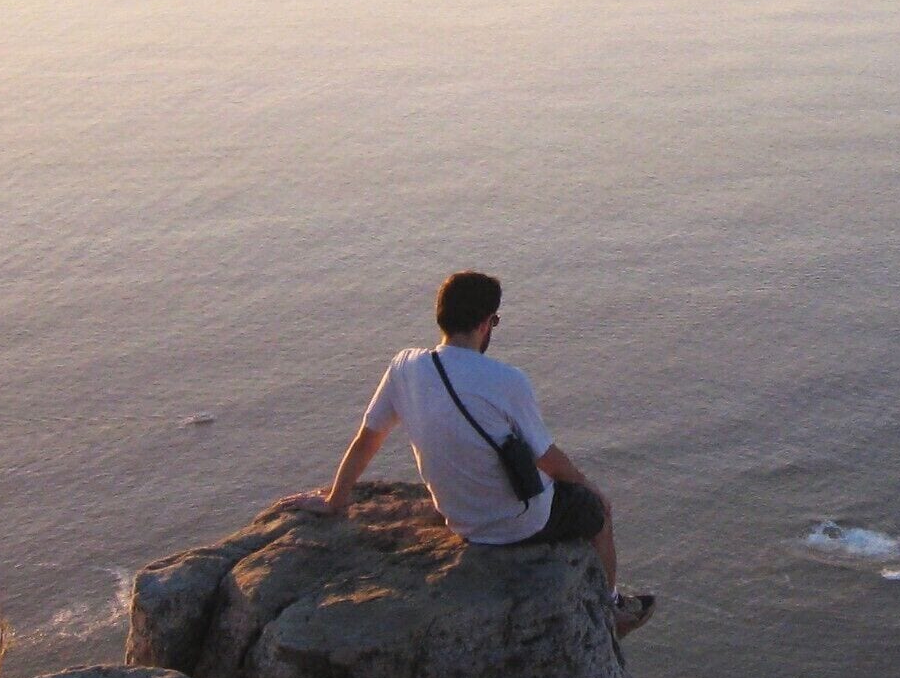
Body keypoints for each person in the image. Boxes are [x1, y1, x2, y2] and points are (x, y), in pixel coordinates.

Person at [277, 271, 654, 636]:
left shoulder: (404, 367)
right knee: (596, 511)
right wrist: (589, 487)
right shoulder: (507, 380)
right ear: (487, 322)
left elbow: (367, 440)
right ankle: (612, 608)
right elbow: (548, 458)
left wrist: (335, 500)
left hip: (460, 520)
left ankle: (608, 601)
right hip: (519, 523)